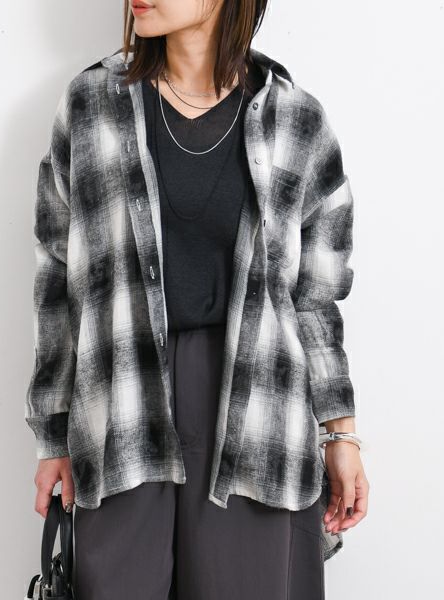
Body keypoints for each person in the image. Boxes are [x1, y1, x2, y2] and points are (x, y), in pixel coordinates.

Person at [25, 1, 370, 598]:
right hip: (123, 400)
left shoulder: (297, 122)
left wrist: (340, 433)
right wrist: (52, 434)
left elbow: (317, 301)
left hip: (258, 409)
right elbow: (56, 278)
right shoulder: (91, 104)